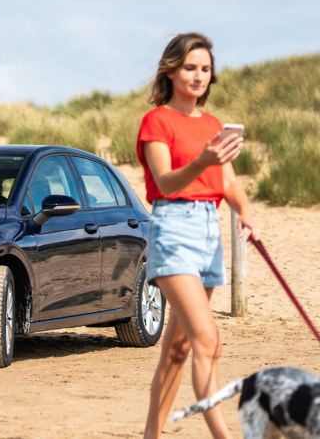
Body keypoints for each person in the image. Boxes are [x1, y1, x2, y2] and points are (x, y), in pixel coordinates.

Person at [138, 33, 259, 439]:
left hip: (209, 231)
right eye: (190, 67)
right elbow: (166, 183)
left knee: (179, 349)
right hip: (173, 228)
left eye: (205, 69)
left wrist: (246, 211)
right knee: (209, 340)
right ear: (171, 70)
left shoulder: (211, 125)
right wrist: (203, 158)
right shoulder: (157, 121)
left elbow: (227, 182)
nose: (198, 76)